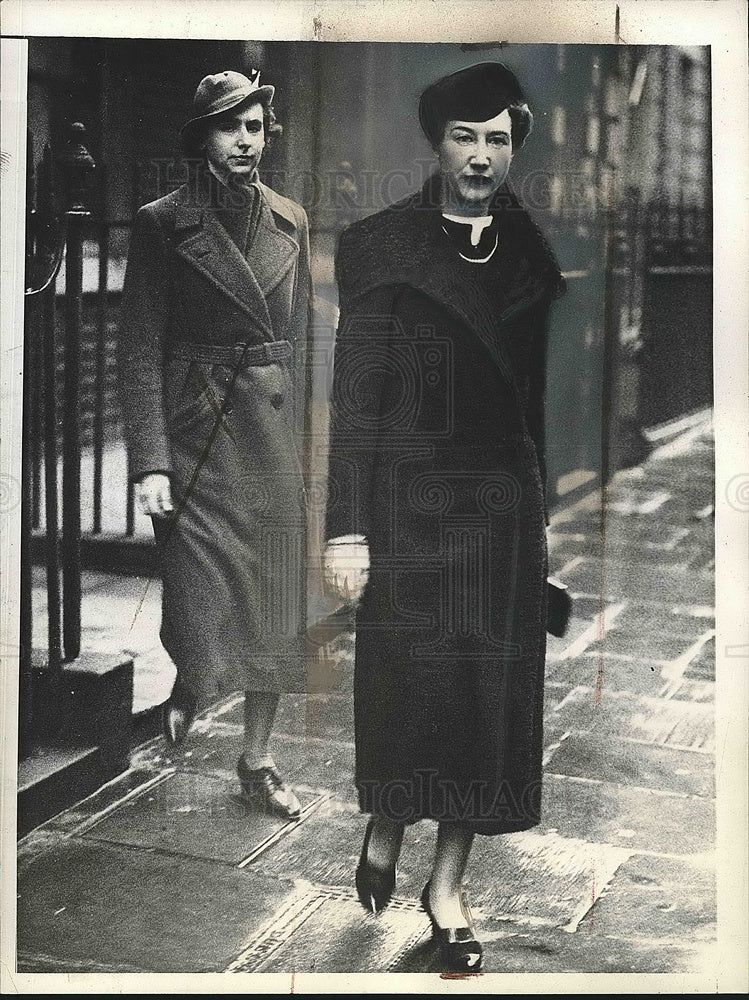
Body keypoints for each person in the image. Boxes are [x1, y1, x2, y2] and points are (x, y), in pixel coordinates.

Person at [324, 62, 566, 970]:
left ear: (514, 148)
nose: (479, 157)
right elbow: (356, 403)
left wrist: (539, 534)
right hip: (407, 506)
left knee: (485, 706)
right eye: (464, 138)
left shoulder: (528, 259)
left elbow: (529, 409)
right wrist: (347, 530)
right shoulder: (382, 247)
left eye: (497, 140)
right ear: (437, 145)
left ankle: (447, 888)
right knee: (410, 689)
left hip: (499, 512)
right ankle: (388, 815)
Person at [119, 70, 311, 821]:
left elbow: (296, 343)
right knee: (197, 598)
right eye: (230, 128)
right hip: (197, 430)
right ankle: (193, 677)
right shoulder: (162, 222)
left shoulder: (289, 219)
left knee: (272, 601)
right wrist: (149, 460)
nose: (245, 142)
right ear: (202, 139)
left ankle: (258, 760)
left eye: (256, 127)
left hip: (268, 433)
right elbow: (139, 343)